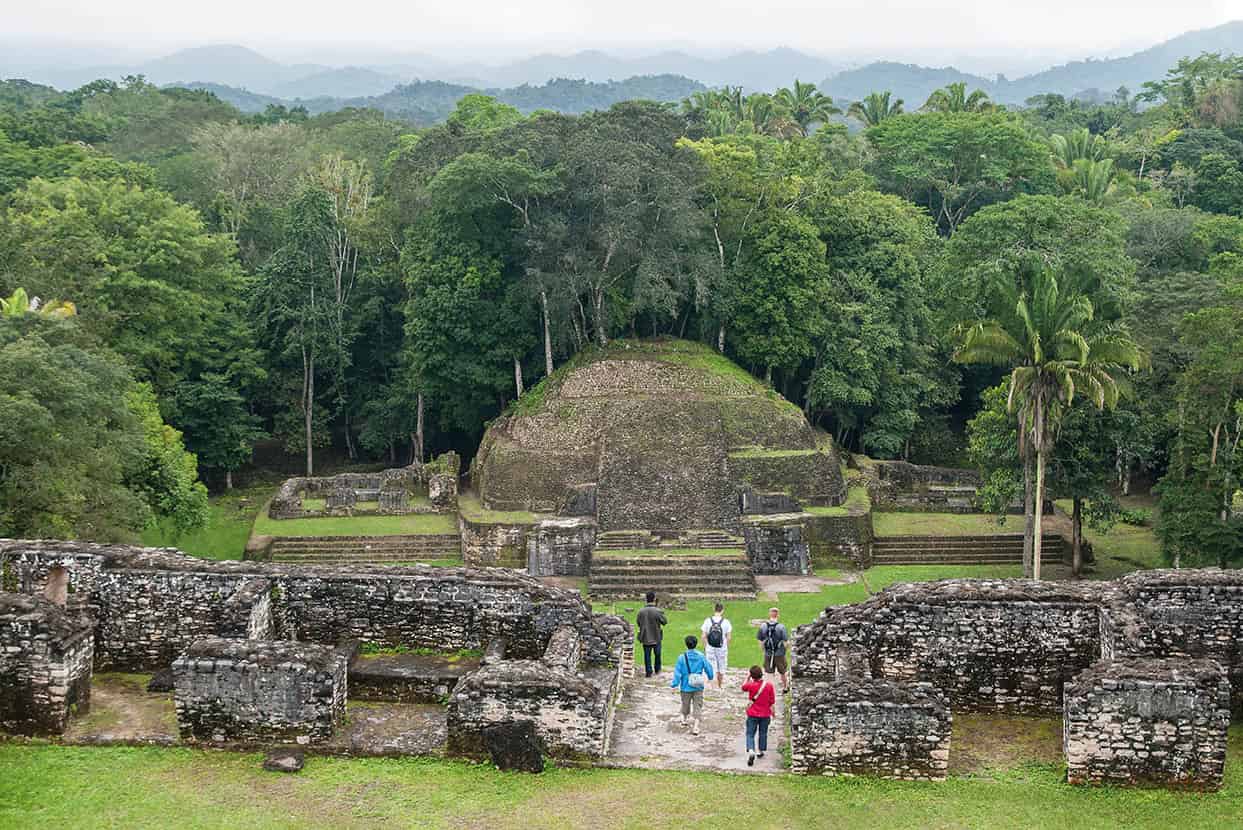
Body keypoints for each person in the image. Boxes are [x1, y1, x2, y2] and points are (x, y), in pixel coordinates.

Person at [669, 634, 714, 735]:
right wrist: (710, 677)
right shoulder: (701, 656)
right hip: (698, 685)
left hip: (685, 685)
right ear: (696, 644)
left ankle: (684, 719)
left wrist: (674, 685)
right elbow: (708, 668)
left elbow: (677, 673)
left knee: (685, 703)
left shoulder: (681, 658)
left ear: (686, 644)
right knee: (698, 705)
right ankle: (696, 726)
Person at [741, 664, 775, 766]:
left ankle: (751, 750)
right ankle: (760, 750)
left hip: (752, 713)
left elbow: (743, 687)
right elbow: (772, 702)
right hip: (765, 714)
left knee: (750, 733)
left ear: (752, 676)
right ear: (761, 674)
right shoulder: (769, 686)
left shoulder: (750, 685)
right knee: (763, 732)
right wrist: (774, 713)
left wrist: (747, 678)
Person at [757, 607, 789, 693]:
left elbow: (760, 640)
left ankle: (769, 691)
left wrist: (764, 650)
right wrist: (784, 651)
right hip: (779, 653)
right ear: (778, 615)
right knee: (783, 672)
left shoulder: (763, 626)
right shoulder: (781, 627)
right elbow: (786, 642)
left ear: (769, 614)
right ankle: (785, 687)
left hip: (768, 653)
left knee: (769, 673)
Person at [700, 602, 732, 689]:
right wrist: (726, 646)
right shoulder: (726, 622)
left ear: (714, 609)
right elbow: (728, 637)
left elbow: (703, 636)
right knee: (721, 667)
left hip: (710, 647)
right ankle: (720, 685)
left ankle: (714, 686)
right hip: (722, 647)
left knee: (711, 666)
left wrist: (706, 645)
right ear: (722, 610)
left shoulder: (707, 621)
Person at [636, 591, 667, 678]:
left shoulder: (641, 611)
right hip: (656, 636)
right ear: (654, 599)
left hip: (645, 636)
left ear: (646, 599)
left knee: (647, 655)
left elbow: (638, 623)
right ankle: (657, 669)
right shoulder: (658, 611)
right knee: (657, 654)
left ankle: (648, 672)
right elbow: (664, 622)